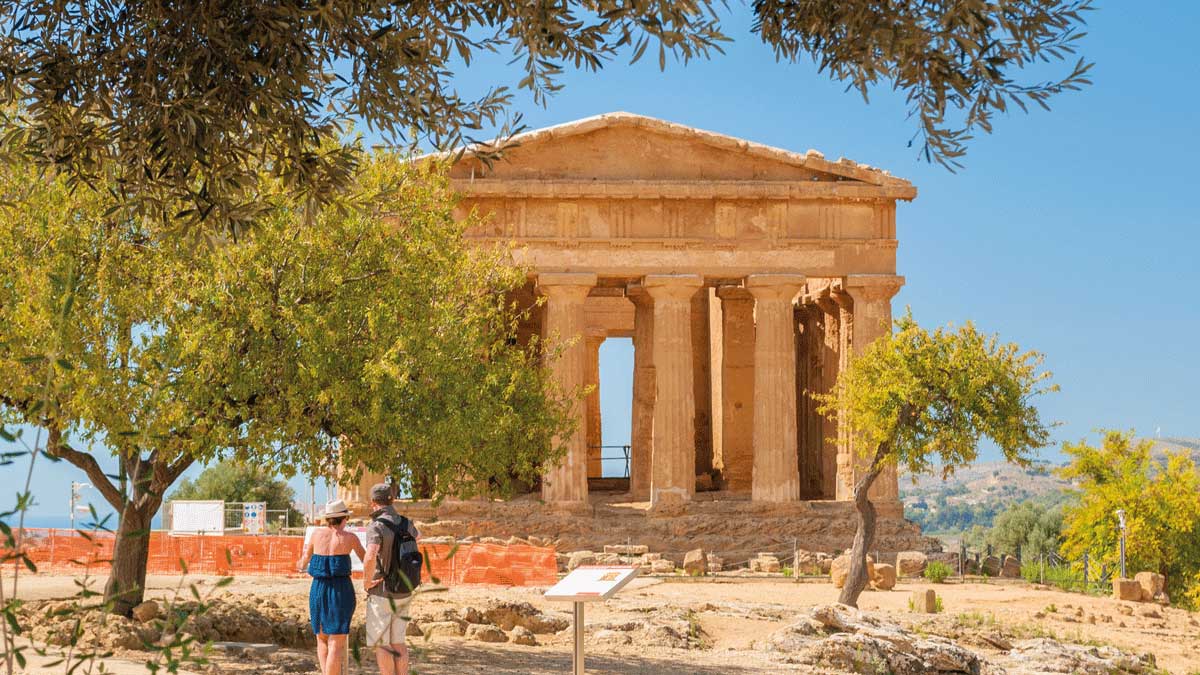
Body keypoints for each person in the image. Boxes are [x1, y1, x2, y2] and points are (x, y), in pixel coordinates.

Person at [297, 499, 365, 675]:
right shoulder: (350, 538)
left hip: (318, 589)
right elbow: (367, 560)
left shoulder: (316, 535)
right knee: (336, 642)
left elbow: (302, 562)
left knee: (322, 639)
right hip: (340, 590)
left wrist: (302, 564)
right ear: (344, 518)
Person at [362, 483, 420, 675]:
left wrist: (366, 582)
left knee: (383, 644)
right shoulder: (407, 523)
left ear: (373, 503)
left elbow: (370, 555)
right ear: (392, 499)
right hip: (404, 589)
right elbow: (417, 538)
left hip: (382, 592)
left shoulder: (376, 525)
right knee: (398, 642)